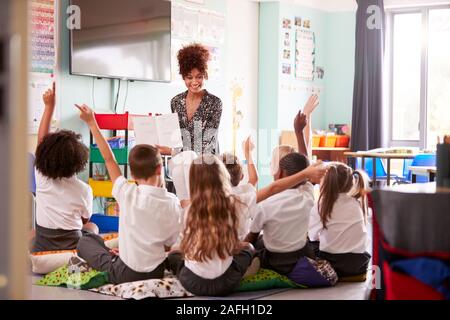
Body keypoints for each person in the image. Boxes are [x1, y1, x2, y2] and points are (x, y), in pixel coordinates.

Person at [75, 104, 182, 284]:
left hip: (125, 273)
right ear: (159, 169)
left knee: (85, 242)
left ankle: (117, 257)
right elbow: (170, 243)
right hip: (156, 271)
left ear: (132, 175)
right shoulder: (172, 202)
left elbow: (109, 159)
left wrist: (92, 123)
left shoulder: (127, 192)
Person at [244, 111, 317, 275]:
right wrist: (299, 132)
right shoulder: (307, 195)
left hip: (274, 260)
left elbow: (252, 237)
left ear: (281, 172)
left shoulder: (266, 203)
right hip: (299, 257)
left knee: (256, 244)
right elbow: (305, 168)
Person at [32, 83, 98, 253]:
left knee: (31, 234)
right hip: (73, 250)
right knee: (92, 227)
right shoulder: (84, 190)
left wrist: (49, 106)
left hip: (42, 248)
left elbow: (41, 142)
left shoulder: (42, 177)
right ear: (79, 163)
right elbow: (84, 220)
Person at [158, 43, 222, 156]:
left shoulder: (214, 103)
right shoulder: (176, 102)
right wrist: (162, 126)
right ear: (183, 77)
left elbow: (206, 143)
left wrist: (172, 152)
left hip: (207, 165)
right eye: (189, 77)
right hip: (182, 162)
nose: (194, 82)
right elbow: (177, 138)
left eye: (199, 77)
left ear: (205, 76)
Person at [308, 162, 371, 277]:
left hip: (331, 263)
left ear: (326, 183)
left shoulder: (321, 205)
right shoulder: (357, 203)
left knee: (308, 244)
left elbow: (312, 236)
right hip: (358, 264)